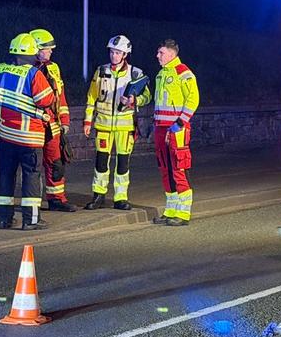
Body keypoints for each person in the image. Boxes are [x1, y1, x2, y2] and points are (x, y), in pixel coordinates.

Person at [0, 33, 56, 230]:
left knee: (5, 175)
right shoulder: (33, 74)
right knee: (31, 176)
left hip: (6, 136)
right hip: (30, 138)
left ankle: (3, 219)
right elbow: (46, 100)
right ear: (32, 53)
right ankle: (31, 220)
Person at [82, 35, 150, 210]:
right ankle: (98, 195)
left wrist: (134, 101)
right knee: (101, 162)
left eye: (118, 52)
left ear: (125, 54)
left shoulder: (135, 74)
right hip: (103, 125)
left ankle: (120, 198)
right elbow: (91, 97)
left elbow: (147, 96)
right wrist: (87, 121)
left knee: (122, 163)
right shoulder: (101, 71)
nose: (114, 55)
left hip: (125, 127)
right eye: (112, 52)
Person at [152, 39, 199, 226]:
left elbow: (193, 99)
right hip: (161, 128)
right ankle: (170, 210)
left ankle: (183, 213)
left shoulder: (183, 72)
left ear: (171, 54)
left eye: (161, 53)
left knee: (178, 169)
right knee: (165, 169)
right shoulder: (160, 74)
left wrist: (180, 122)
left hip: (176, 128)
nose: (157, 56)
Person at [30, 28, 76, 212]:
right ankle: (31, 202)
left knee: (56, 162)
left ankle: (56, 200)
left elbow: (60, 96)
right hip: (33, 124)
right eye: (46, 48)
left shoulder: (53, 67)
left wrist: (64, 120)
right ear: (35, 49)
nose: (50, 51)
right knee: (32, 165)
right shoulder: (26, 69)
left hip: (52, 124)